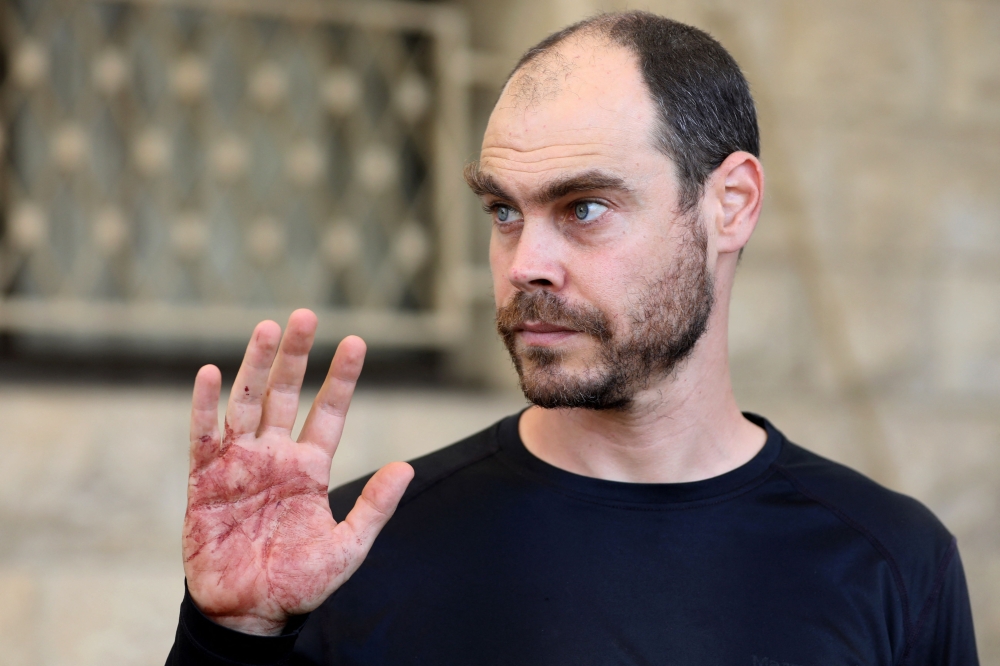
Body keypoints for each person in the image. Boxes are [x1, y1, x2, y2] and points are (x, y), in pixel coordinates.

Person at [167, 11, 978, 665]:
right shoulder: (352, 552)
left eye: (584, 207)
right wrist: (229, 639)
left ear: (729, 204)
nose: (527, 264)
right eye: (504, 212)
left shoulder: (890, 563)